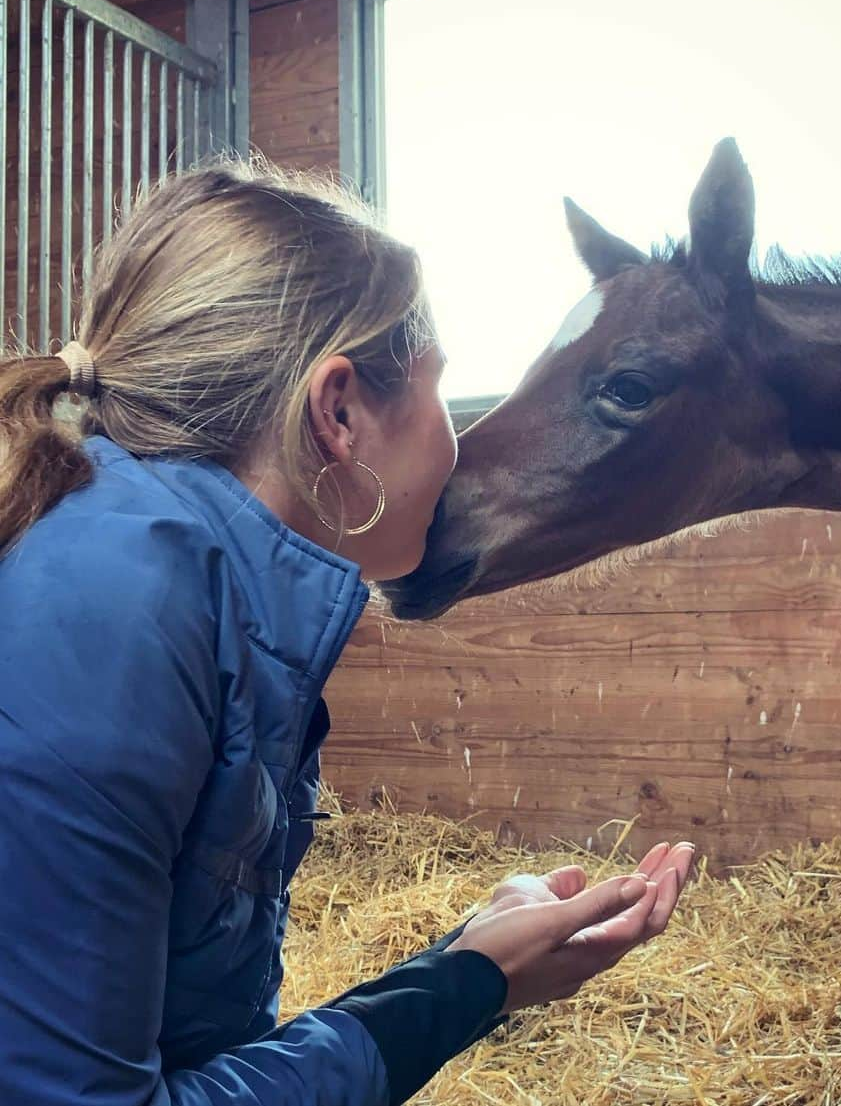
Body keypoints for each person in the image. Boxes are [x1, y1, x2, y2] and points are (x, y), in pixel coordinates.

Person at [0, 160, 695, 1106]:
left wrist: (465, 959)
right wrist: (462, 987)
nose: (460, 446)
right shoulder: (116, 610)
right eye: (443, 395)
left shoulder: (192, 584)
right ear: (338, 412)